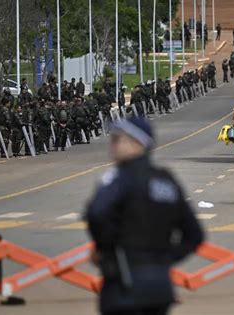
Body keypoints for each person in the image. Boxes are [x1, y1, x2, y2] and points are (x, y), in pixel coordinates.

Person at [85, 117, 204, 315]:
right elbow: (195, 235)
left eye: (116, 140)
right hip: (160, 286)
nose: (111, 146)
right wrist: (164, 258)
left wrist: (104, 248)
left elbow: (96, 213)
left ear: (137, 143)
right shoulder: (165, 180)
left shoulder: (120, 178)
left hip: (125, 285)